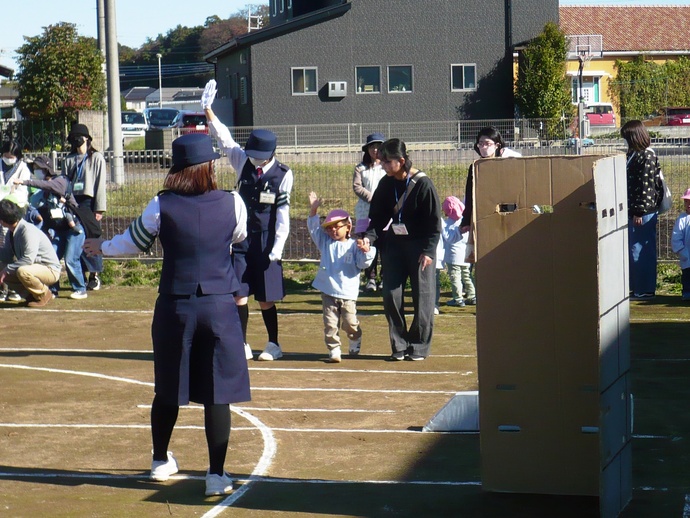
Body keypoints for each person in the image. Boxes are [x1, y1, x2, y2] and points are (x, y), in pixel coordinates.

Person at [83, 133, 250, 496]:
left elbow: (132, 243)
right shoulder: (234, 202)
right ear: (209, 167)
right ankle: (216, 475)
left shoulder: (161, 204)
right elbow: (238, 238)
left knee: (168, 387)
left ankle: (160, 461)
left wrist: (102, 246)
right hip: (220, 305)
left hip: (175, 305)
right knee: (217, 393)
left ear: (176, 169)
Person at [202, 79, 293, 362]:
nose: (254, 161)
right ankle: (241, 343)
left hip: (266, 241)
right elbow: (225, 138)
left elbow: (282, 216)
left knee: (265, 297)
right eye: (252, 155)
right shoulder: (243, 161)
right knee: (238, 294)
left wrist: (276, 250)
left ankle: (273, 344)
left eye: (260, 158)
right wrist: (208, 110)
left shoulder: (283, 174)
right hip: (241, 238)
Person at [364, 138, 442, 361]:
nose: (383, 166)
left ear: (401, 160)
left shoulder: (423, 184)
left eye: (388, 162)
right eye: (382, 162)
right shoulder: (386, 183)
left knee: (423, 297)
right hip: (394, 246)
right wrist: (369, 238)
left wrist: (428, 251)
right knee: (390, 295)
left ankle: (418, 346)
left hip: (420, 247)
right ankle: (399, 345)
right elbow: (377, 218)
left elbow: (434, 223)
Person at [307, 192, 375, 362]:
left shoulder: (354, 246)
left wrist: (366, 251)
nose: (333, 230)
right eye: (330, 227)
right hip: (328, 291)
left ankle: (355, 337)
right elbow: (314, 229)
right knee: (330, 324)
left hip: (348, 294)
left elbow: (363, 264)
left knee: (350, 323)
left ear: (348, 227)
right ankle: (334, 349)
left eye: (337, 226)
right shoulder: (325, 242)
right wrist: (313, 210)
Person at [21, 155, 88, 299]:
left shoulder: (60, 181)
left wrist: (25, 181)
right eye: (34, 168)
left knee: (70, 259)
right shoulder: (40, 193)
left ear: (46, 169)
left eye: (38, 168)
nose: (36, 171)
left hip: (74, 229)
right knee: (52, 259)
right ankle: (53, 289)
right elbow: (33, 207)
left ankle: (80, 288)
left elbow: (48, 185)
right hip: (57, 230)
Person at [62, 123, 106, 293]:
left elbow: (100, 185)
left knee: (92, 237)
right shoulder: (68, 159)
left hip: (89, 201)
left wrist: (99, 209)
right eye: (73, 138)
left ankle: (94, 276)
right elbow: (64, 183)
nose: (76, 140)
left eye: (79, 137)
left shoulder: (96, 157)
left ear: (87, 138)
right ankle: (81, 274)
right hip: (73, 202)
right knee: (75, 238)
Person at [0, 197, 61, 308]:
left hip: (50, 269)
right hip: (33, 268)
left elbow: (28, 259)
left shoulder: (27, 230)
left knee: (22, 271)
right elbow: (7, 256)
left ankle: (44, 294)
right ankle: (31, 296)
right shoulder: (11, 232)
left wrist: (7, 270)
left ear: (2, 221)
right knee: (2, 267)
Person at [621, 120, 659, 300]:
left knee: (641, 251)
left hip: (642, 212)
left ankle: (645, 288)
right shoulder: (634, 154)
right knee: (634, 250)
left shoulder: (646, 157)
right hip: (634, 210)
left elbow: (647, 188)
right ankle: (637, 287)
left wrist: (639, 211)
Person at [460, 127, 521, 231]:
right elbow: (470, 194)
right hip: (483, 215)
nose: (483, 147)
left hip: (507, 215)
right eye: (481, 143)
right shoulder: (475, 167)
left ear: (497, 145)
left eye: (487, 143)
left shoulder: (506, 164)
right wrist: (466, 221)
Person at [353, 133, 386, 292]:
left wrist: (382, 200)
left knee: (385, 246)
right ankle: (370, 278)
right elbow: (357, 187)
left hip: (385, 213)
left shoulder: (387, 166)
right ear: (367, 149)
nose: (375, 150)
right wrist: (372, 198)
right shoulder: (361, 168)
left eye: (378, 146)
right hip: (365, 212)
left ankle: (385, 278)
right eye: (372, 146)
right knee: (367, 245)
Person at [0, 140, 32, 301]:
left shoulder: (23, 169)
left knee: (11, 249)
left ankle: (14, 289)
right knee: (1, 252)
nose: (8, 159)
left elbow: (22, 194)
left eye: (11, 156)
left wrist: (7, 202)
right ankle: (2, 289)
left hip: (13, 213)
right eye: (6, 156)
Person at [441, 196, 476, 307]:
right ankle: (472, 295)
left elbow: (448, 238)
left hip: (453, 255)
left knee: (455, 276)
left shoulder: (448, 223)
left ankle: (458, 298)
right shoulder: (464, 221)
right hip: (465, 254)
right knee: (467, 275)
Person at [671, 188, 690, 300]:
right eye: (686, 202)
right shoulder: (682, 219)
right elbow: (676, 236)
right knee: (687, 275)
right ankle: (687, 292)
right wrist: (681, 251)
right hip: (687, 255)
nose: (688, 205)